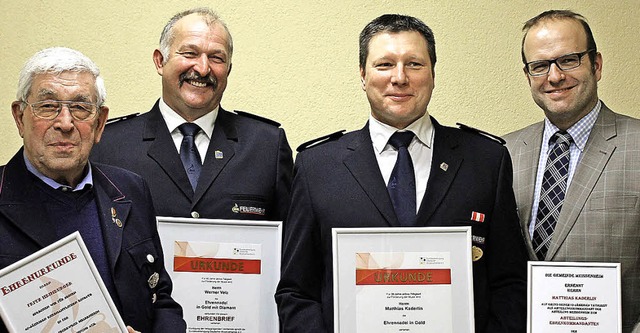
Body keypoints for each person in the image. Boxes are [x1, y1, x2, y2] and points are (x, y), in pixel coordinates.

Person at [275, 14, 527, 333]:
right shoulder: (317, 166)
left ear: (433, 74)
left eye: (414, 64)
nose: (399, 78)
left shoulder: (486, 160)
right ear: (363, 75)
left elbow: (509, 284)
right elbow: (297, 292)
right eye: (384, 65)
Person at [0, 47, 185, 332]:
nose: (64, 123)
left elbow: (160, 298)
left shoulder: (130, 191)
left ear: (99, 124)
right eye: (48, 106)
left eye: (80, 108)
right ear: (19, 117)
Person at [503, 10, 640, 333]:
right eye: (539, 66)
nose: (554, 76)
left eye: (568, 60)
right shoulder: (503, 153)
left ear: (597, 65)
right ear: (528, 76)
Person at [91, 8, 293, 220]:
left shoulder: (267, 146)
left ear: (228, 70)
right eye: (190, 53)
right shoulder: (109, 145)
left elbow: (291, 243)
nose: (203, 69)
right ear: (160, 61)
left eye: (216, 58)